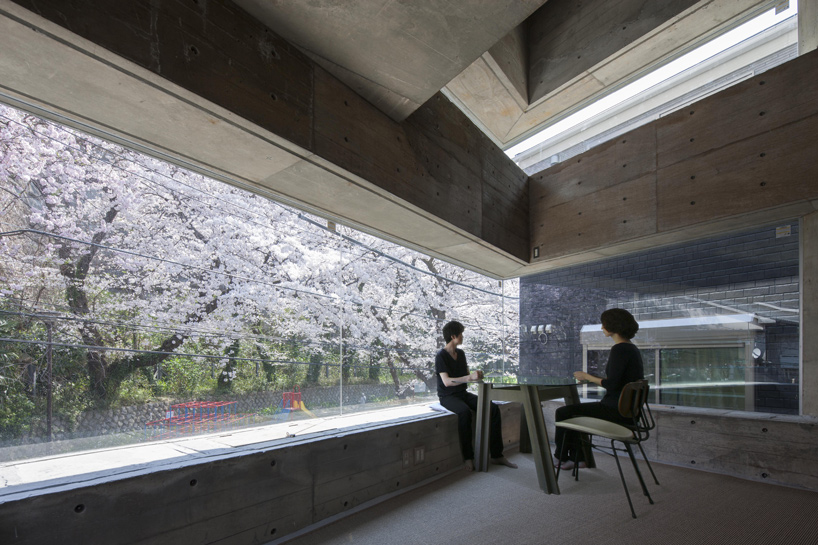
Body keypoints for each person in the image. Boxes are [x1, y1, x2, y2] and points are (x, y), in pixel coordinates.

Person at [554, 308, 645, 470]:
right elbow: (618, 382)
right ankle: (578, 459)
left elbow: (612, 384)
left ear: (613, 326)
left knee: (563, 413)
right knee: (573, 413)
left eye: (604, 324)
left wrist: (587, 376)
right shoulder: (632, 349)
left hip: (615, 410)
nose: (602, 327)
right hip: (628, 412)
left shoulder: (620, 349)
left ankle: (560, 457)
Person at [435, 320, 517, 471]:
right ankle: (468, 457)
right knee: (464, 412)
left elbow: (467, 375)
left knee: (493, 408)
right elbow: (446, 382)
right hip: (448, 397)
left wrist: (476, 375)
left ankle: (497, 455)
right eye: (461, 334)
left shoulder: (461, 354)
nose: (463, 336)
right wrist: (469, 377)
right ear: (453, 336)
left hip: (462, 393)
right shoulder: (441, 356)